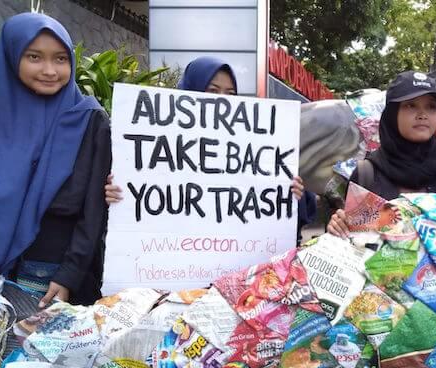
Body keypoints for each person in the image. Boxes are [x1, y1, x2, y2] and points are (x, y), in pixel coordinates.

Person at [104, 56, 313, 240]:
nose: (222, 100)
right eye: (213, 90)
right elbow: (140, 196)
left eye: (230, 93)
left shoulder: (251, 147)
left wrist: (290, 194)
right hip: (170, 264)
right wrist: (115, 195)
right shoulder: (158, 141)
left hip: (231, 267)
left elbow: (275, 212)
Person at [0, 13, 112, 307]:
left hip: (47, 277)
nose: (50, 70)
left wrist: (68, 276)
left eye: (61, 59)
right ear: (11, 56)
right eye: (35, 57)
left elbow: (92, 213)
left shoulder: (89, 119)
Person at [327, 70, 436, 238]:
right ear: (393, 114)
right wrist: (338, 227)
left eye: (431, 107)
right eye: (411, 105)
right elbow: (353, 240)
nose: (422, 115)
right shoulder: (367, 173)